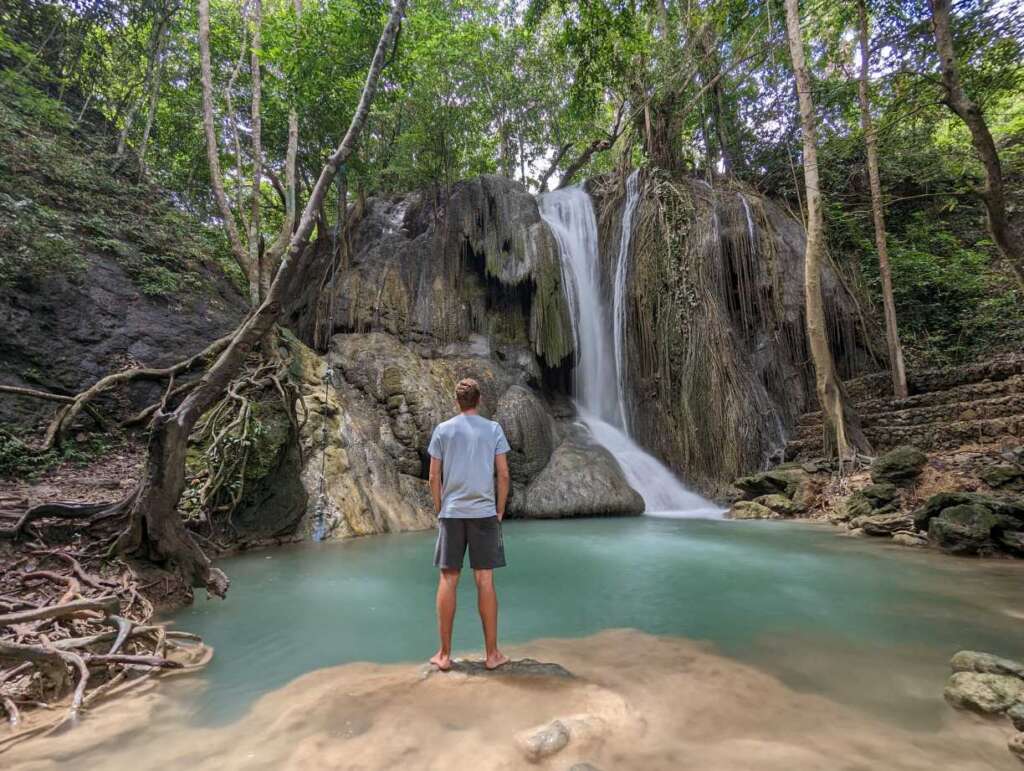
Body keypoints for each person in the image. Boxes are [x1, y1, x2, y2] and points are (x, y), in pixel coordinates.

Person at [427, 377, 511, 671]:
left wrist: (441, 508)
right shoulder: (493, 430)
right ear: (479, 399)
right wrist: (499, 510)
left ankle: (444, 655)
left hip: (451, 513)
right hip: (484, 513)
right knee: (484, 579)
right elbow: (503, 475)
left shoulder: (443, 430)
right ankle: (492, 655)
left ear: (457, 401)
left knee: (448, 578)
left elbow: (433, 477)